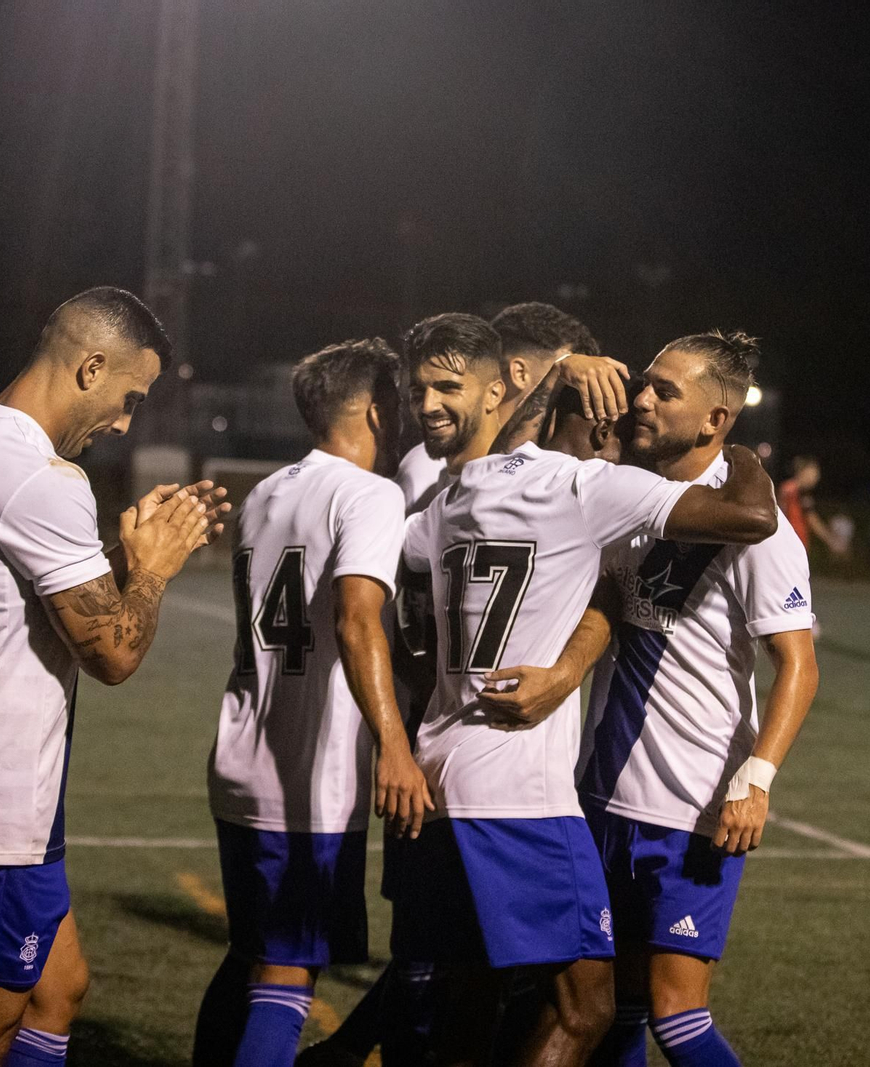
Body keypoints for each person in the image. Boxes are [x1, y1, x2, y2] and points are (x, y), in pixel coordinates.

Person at [396, 343, 778, 1067]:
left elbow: (413, 559)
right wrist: (741, 452)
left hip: (439, 766)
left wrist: (570, 667)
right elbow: (752, 515)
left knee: (469, 990)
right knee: (587, 1004)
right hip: (519, 789)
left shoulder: (460, 492)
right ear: (595, 427)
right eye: (626, 404)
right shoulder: (587, 488)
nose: (636, 413)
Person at [0, 287, 228, 1067]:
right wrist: (153, 570)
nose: (125, 423)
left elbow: (19, 603)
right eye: (128, 398)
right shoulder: (39, 475)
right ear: (91, 365)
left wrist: (119, 562)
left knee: (55, 988)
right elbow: (113, 652)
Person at [298, 310, 623, 1067]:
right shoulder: (438, 473)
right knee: (456, 979)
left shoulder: (478, 473)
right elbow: (375, 611)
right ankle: (346, 1050)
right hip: (462, 761)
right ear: (516, 379)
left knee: (462, 976)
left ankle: (342, 1050)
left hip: (444, 751)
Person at [486, 332, 820, 1067]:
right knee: (607, 1008)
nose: (641, 398)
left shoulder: (757, 532)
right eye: (644, 383)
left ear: (715, 420)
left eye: (665, 391)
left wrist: (755, 780)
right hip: (597, 798)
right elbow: (608, 597)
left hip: (691, 809)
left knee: (678, 1016)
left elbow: (798, 664)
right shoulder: (634, 496)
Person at [190, 339, 435, 1067]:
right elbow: (356, 618)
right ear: (373, 408)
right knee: (290, 969)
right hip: (308, 770)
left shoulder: (267, 492)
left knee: (251, 952)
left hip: (242, 755)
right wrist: (394, 744)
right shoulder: (370, 494)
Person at [392, 301, 601, 514]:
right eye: (562, 375)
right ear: (518, 373)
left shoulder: (562, 470)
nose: (567, 386)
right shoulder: (425, 468)